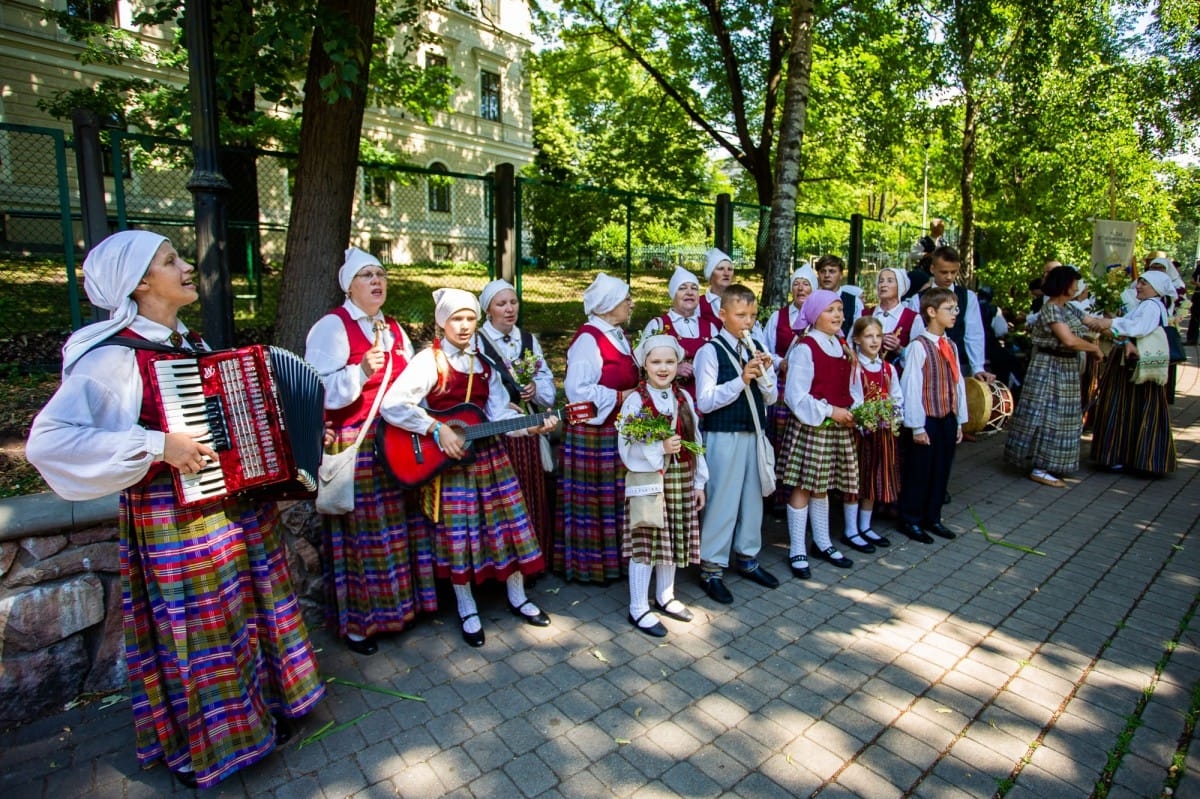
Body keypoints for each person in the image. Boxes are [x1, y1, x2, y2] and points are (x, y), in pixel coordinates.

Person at [27, 230, 325, 789]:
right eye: (172, 261)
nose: (188, 266)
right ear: (140, 283)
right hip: (174, 515)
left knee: (244, 614)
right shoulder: (112, 359)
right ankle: (210, 746)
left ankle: (258, 715)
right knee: (200, 627)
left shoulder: (189, 346)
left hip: (232, 509)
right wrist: (156, 445)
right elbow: (50, 442)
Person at [381, 289, 556, 647]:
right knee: (458, 534)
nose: (464, 326)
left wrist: (531, 424)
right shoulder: (428, 362)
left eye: (470, 319)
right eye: (456, 319)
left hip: (490, 457)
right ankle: (466, 606)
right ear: (442, 322)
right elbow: (393, 405)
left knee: (509, 525)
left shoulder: (484, 365)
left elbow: (498, 415)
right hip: (450, 461)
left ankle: (518, 596)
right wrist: (436, 427)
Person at [304, 248, 435, 655]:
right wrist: (360, 372)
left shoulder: (394, 329)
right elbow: (314, 389)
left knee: (398, 530)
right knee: (362, 536)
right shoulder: (332, 327)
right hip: (356, 440)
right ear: (349, 285)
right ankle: (361, 624)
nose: (377, 282)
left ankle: (401, 611)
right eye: (366, 275)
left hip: (395, 442)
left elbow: (415, 384)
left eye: (381, 274)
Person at [616, 335, 707, 637]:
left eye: (669, 362)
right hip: (649, 480)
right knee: (647, 540)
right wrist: (659, 449)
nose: (663, 368)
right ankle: (638, 607)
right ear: (644, 364)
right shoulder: (635, 401)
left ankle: (665, 595)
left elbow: (695, 440)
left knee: (672, 539)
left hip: (680, 478)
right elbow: (627, 446)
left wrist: (699, 482)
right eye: (656, 362)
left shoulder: (683, 398)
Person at [694, 284, 780, 604]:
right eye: (741, 315)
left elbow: (770, 397)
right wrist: (741, 379)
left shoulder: (756, 344)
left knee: (752, 500)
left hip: (754, 433)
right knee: (722, 501)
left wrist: (765, 378)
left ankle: (747, 557)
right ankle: (711, 568)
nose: (748, 322)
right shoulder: (710, 350)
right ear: (723, 314)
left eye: (753, 316)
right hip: (723, 435)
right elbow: (705, 401)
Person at [557, 273, 639, 583]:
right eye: (624, 299)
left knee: (614, 499)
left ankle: (615, 561)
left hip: (615, 428)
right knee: (594, 503)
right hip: (594, 433)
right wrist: (620, 396)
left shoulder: (616, 333)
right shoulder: (589, 339)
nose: (630, 303)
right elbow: (578, 391)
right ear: (607, 305)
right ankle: (590, 567)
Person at [779, 290, 865, 581]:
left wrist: (856, 411)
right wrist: (830, 411)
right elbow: (795, 395)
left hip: (838, 426)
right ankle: (797, 548)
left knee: (823, 486)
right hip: (814, 426)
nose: (838, 315)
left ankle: (823, 542)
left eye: (840, 309)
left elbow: (851, 385)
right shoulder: (806, 347)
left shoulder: (841, 345)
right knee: (804, 486)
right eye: (831, 310)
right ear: (816, 315)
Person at [476, 279, 557, 557]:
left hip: (530, 431)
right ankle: (509, 560)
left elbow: (545, 378)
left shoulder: (527, 339)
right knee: (504, 498)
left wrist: (536, 389)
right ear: (488, 310)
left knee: (532, 493)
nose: (510, 309)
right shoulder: (478, 342)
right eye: (501, 304)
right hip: (498, 434)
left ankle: (535, 557)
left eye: (513, 302)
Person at [1003, 266, 1102, 487]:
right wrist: (1094, 349)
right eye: (1074, 283)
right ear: (1064, 285)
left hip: (1065, 367)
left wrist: (1118, 327)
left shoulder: (1069, 307)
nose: (1077, 287)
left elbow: (1092, 322)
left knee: (1063, 416)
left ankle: (1050, 463)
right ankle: (1040, 466)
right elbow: (1068, 340)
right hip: (1050, 367)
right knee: (1048, 414)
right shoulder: (1051, 309)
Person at [1083, 272, 1178, 476]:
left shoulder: (1152, 306)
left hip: (1135, 365)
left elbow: (1139, 328)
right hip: (1131, 363)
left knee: (1126, 406)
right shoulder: (1147, 305)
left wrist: (1109, 323)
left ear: (1156, 288)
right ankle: (1126, 456)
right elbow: (1127, 328)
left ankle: (1127, 456)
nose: (1139, 286)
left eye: (1144, 283)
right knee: (1127, 407)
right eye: (1139, 282)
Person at [896, 287, 968, 544]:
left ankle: (933, 516)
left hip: (947, 415)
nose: (954, 314)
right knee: (920, 469)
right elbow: (912, 386)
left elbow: (957, 382)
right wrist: (916, 426)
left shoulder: (951, 345)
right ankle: (910, 518)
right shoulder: (919, 346)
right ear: (931, 312)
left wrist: (959, 418)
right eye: (949, 309)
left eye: (955, 309)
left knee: (941, 468)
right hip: (926, 417)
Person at [849, 316, 901, 547]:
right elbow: (854, 398)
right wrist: (864, 420)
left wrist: (893, 416)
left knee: (873, 479)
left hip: (882, 432)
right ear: (857, 339)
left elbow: (897, 397)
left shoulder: (888, 369)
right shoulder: (854, 368)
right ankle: (851, 529)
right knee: (855, 480)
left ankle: (865, 526)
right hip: (861, 433)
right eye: (869, 336)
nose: (874, 341)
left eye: (878, 336)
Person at [915, 246, 994, 383]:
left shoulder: (967, 297)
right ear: (932, 269)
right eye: (944, 272)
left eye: (953, 272)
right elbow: (915, 333)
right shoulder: (918, 299)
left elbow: (974, 333)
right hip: (927, 363)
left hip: (959, 363)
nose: (949, 277)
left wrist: (977, 367)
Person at [642, 266, 721, 401]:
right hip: (670, 401)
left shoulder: (710, 327)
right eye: (682, 288)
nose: (689, 292)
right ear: (673, 294)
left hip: (706, 402)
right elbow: (643, 365)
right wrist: (674, 369)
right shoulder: (659, 325)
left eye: (694, 288)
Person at [865, 266, 920, 370]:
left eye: (890, 281)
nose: (883, 284)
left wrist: (899, 349)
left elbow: (919, 357)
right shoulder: (866, 314)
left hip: (898, 380)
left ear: (900, 286)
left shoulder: (913, 318)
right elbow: (852, 346)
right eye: (881, 281)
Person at [814, 254, 863, 337]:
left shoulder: (854, 302)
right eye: (823, 271)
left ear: (841, 275)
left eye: (832, 271)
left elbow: (858, 334)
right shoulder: (812, 300)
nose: (827, 275)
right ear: (818, 274)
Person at [698, 248, 736, 326]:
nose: (726, 273)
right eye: (720, 269)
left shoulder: (740, 300)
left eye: (730, 269)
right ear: (710, 274)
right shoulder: (699, 304)